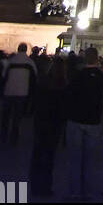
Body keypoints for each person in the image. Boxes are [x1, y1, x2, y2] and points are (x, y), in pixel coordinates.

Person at [64, 46, 103, 199]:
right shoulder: (101, 76)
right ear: (97, 59)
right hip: (94, 120)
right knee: (90, 159)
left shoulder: (77, 75)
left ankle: (74, 191)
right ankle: (88, 190)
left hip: (76, 119)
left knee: (75, 158)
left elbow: (69, 94)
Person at [29, 56, 68, 197]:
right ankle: (46, 186)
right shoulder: (63, 85)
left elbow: (35, 101)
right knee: (50, 156)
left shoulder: (42, 82)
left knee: (37, 153)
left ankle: (34, 185)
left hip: (40, 121)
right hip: (55, 124)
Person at [0, 43, 37, 145]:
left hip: (8, 91)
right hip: (22, 92)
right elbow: (34, 79)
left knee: (6, 116)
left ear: (18, 49)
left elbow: (3, 76)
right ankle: (14, 138)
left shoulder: (10, 62)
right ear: (26, 50)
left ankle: (3, 136)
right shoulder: (30, 62)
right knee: (17, 117)